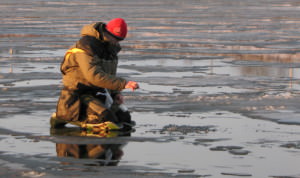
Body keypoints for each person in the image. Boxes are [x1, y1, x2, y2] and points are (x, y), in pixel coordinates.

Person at [52, 18, 139, 128]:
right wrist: (123, 84)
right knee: (105, 118)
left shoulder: (110, 48)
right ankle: (65, 116)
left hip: (97, 90)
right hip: (79, 92)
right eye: (115, 38)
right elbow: (94, 76)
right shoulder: (86, 46)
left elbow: (110, 74)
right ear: (106, 32)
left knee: (124, 118)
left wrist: (115, 93)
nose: (116, 42)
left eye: (119, 40)